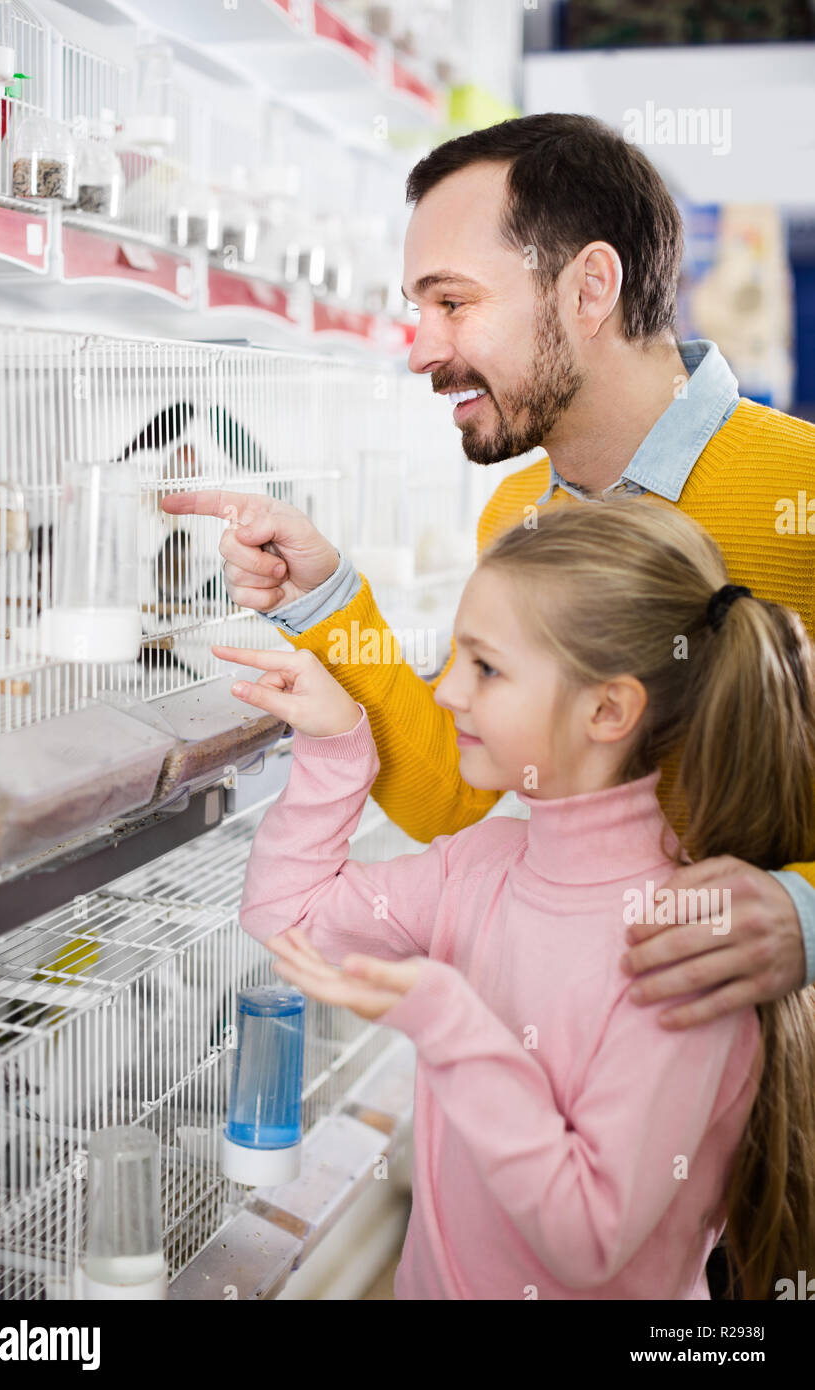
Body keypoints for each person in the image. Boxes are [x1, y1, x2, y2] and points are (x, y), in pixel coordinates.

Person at [162, 113, 815, 1033]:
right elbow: (447, 796)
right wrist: (325, 596)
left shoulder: (800, 490)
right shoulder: (518, 517)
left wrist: (806, 917)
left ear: (590, 288)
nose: (422, 348)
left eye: (453, 303)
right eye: (414, 309)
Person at [215, 497, 815, 1301]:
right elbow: (286, 916)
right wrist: (333, 744)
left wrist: (449, 1020)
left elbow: (588, 1238)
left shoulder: (687, 947)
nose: (447, 693)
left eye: (486, 668)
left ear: (608, 709)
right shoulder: (486, 865)